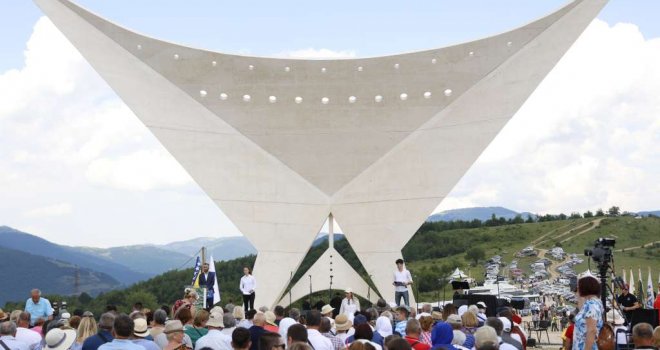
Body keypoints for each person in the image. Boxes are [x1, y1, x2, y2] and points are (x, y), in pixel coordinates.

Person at [573, 276, 604, 350]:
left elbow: (592, 330)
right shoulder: (591, 303)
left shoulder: (592, 305)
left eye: (579, 287)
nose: (577, 289)